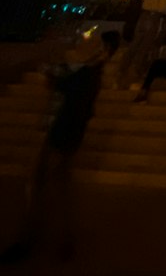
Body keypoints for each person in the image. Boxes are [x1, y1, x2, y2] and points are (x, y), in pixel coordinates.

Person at [1, 30, 120, 265]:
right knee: (59, 189)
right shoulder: (87, 74)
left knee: (39, 189)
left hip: (59, 138)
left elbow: (64, 92)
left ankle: (29, 241)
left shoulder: (84, 76)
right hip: (64, 137)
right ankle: (63, 241)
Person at [126, 0, 166, 86]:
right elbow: (162, 7)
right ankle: (135, 76)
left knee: (135, 45)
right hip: (154, 18)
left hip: (144, 16)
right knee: (146, 46)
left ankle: (123, 72)